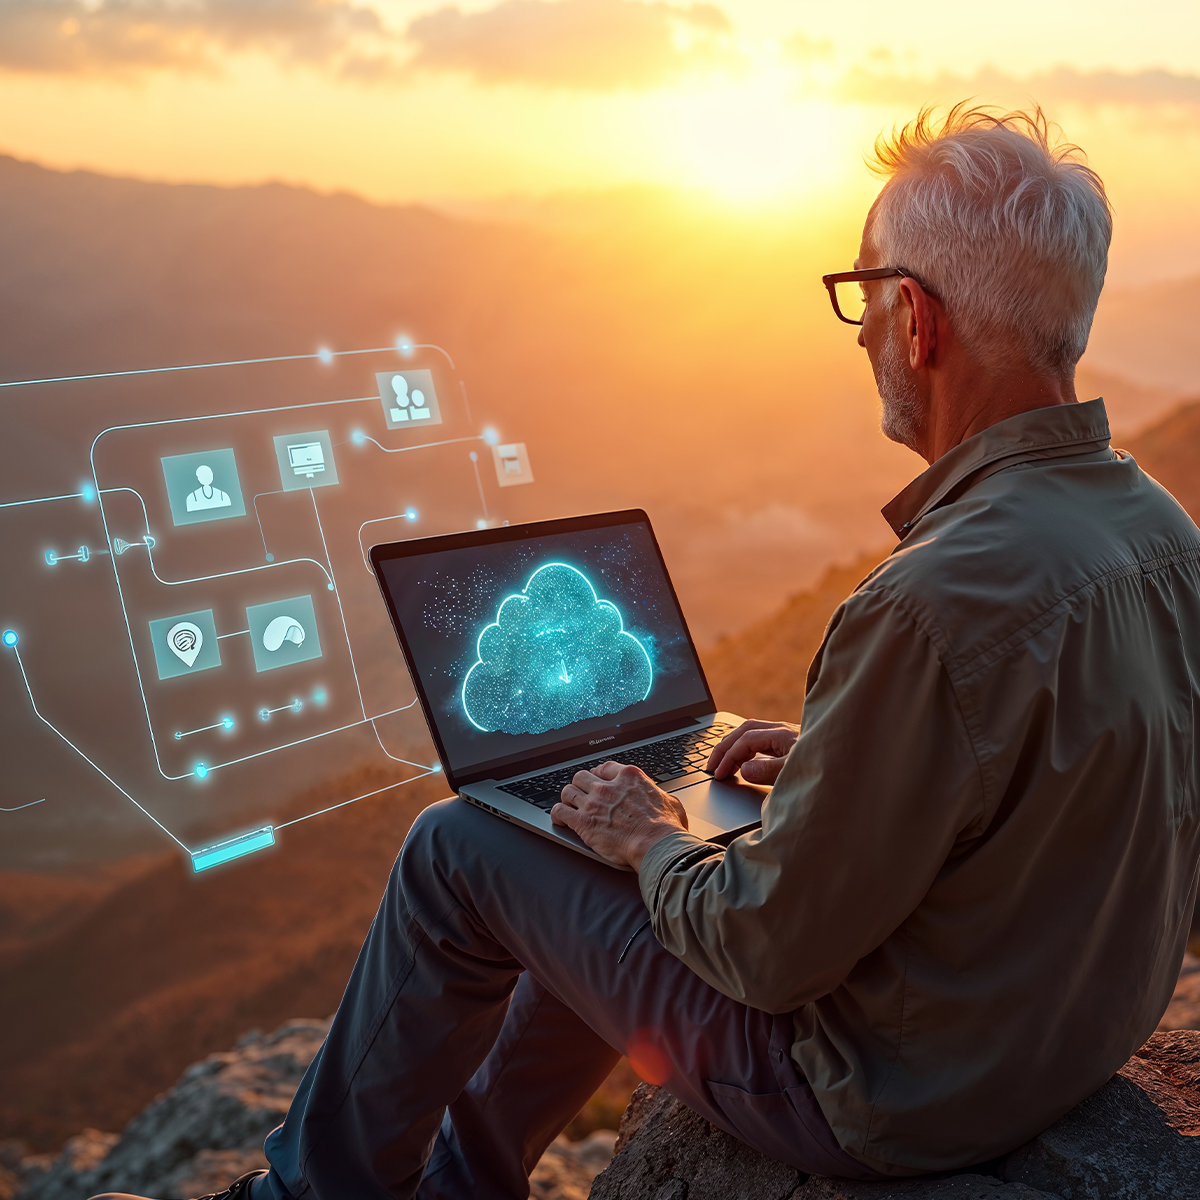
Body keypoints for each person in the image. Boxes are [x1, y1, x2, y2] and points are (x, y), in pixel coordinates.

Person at [94, 105, 1200, 1200]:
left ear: (915, 319)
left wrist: (652, 840)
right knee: (586, 842)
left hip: (883, 1094)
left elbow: (767, 952)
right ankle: (458, 1186)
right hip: (1051, 1044)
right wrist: (846, 765)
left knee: (459, 847)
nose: (859, 334)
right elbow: (1056, 779)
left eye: (863, 295)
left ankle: (308, 1198)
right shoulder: (1162, 532)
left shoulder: (922, 606)